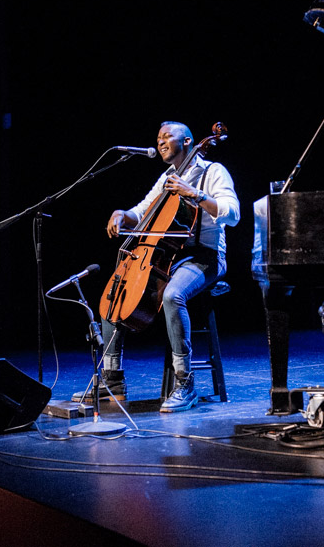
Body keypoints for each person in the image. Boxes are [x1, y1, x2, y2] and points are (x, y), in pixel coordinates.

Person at [95, 121, 240, 412]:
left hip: (205, 257)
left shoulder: (212, 171)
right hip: (168, 256)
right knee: (116, 290)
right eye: (158, 137)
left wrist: (195, 194)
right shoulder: (167, 177)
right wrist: (123, 214)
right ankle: (112, 380)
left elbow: (233, 214)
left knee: (173, 295)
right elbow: (142, 210)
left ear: (187, 141)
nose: (160, 142)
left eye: (166, 137)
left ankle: (185, 382)